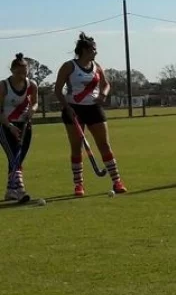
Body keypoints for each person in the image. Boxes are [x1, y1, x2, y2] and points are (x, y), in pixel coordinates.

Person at [54, 32, 127, 197]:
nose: (96, 52)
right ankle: (78, 185)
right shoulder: (69, 66)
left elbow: (106, 84)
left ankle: (117, 181)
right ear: (85, 50)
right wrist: (67, 107)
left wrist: (103, 95)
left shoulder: (97, 66)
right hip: (73, 109)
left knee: (104, 145)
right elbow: (58, 90)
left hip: (93, 108)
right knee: (76, 148)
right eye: (94, 49)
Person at [0, 54, 38, 203]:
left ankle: (10, 191)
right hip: (5, 126)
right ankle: (21, 191)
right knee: (14, 157)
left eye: (25, 70)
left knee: (17, 158)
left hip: (25, 126)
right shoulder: (3, 86)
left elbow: (34, 103)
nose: (23, 74)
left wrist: (32, 111)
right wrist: (9, 126)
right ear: (12, 70)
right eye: (19, 71)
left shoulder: (32, 85)